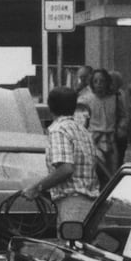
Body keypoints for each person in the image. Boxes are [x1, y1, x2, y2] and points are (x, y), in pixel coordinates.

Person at [20, 86, 101, 225]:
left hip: (72, 203)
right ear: (74, 106)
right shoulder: (82, 130)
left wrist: (36, 188)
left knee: (71, 244)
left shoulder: (58, 130)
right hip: (89, 201)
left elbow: (65, 169)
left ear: (50, 107)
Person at [78, 68, 127, 178]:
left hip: (111, 139)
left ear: (107, 82)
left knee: (113, 171)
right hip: (93, 139)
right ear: (92, 83)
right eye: (96, 81)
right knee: (96, 170)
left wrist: (121, 127)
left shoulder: (115, 98)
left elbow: (122, 116)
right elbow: (79, 120)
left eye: (102, 81)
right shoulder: (85, 99)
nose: (99, 84)